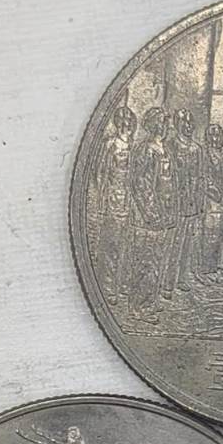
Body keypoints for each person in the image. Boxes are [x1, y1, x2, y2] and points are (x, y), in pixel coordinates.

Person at [124, 107, 171, 320]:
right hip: (147, 218)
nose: (166, 125)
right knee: (144, 261)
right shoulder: (146, 149)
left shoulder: (162, 148)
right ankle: (139, 307)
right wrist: (151, 212)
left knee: (156, 260)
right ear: (154, 125)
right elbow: (139, 183)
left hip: (161, 215)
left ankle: (150, 300)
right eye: (163, 122)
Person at [92, 102, 136, 304]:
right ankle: (108, 287)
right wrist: (103, 199)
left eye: (130, 121)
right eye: (124, 121)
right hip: (113, 199)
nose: (127, 125)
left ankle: (123, 284)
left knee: (127, 244)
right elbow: (100, 173)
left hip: (130, 201)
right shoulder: (111, 144)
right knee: (111, 244)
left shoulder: (134, 146)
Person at [165, 108, 205, 295]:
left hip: (191, 204)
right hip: (175, 204)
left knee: (187, 243)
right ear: (176, 124)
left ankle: (181, 278)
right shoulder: (170, 145)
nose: (188, 126)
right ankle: (167, 282)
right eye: (184, 122)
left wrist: (199, 203)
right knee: (173, 244)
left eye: (190, 122)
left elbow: (200, 177)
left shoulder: (197, 149)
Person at [199, 122, 223, 276]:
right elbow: (205, 178)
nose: (216, 138)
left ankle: (217, 265)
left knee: (221, 233)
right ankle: (206, 267)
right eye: (213, 135)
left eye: (219, 134)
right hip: (211, 201)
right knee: (209, 233)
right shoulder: (205, 155)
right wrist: (217, 195)